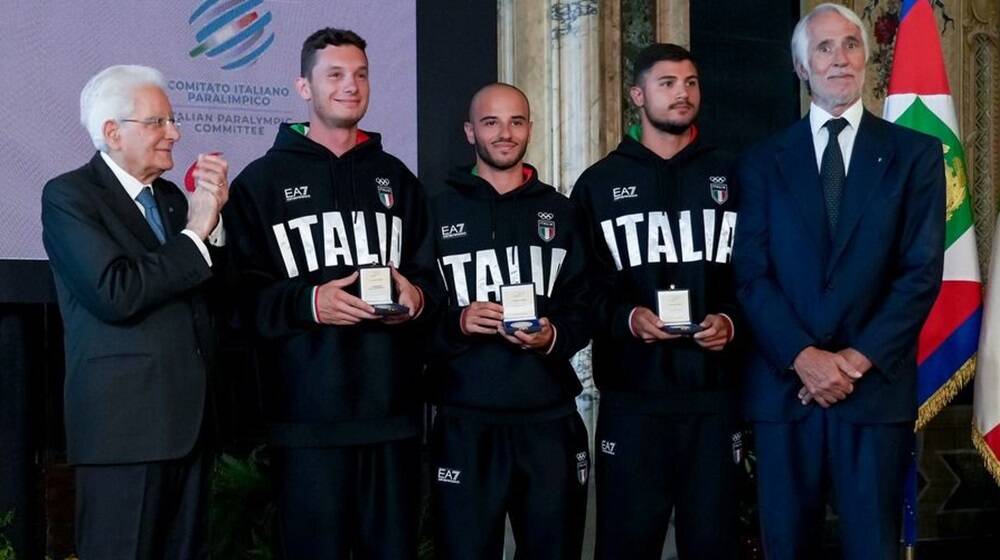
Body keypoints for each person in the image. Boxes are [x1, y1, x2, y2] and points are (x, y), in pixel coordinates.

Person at [732, 4, 945, 558]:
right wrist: (804, 356)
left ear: (867, 61)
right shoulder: (760, 161)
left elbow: (920, 273)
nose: (839, 59)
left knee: (873, 547)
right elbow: (751, 275)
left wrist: (850, 363)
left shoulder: (915, 155)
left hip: (872, 394)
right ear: (802, 68)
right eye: (824, 48)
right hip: (786, 394)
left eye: (850, 45)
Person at [223, 28, 440, 559]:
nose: (351, 86)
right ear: (304, 86)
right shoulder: (261, 183)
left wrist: (416, 296)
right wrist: (308, 302)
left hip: (391, 418)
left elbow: (434, 277)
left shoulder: (397, 179)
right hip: (307, 423)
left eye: (360, 74)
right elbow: (235, 301)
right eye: (335, 75)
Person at [41, 64, 229, 559]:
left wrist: (213, 227)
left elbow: (204, 290)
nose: (176, 133)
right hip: (123, 433)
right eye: (159, 122)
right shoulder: (70, 196)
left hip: (189, 427)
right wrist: (195, 234)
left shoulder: (169, 199)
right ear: (112, 132)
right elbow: (116, 291)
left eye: (173, 120)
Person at [571, 44, 742, 559]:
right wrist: (628, 318)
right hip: (633, 403)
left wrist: (732, 323)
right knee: (626, 545)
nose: (682, 93)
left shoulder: (734, 175)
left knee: (714, 546)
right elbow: (581, 290)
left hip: (713, 401)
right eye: (667, 83)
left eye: (690, 82)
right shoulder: (599, 183)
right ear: (637, 95)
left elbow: (759, 276)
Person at [427, 83, 591, 559]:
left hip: (548, 419)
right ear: (469, 131)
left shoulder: (561, 213)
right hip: (465, 420)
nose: (505, 133)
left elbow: (585, 304)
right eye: (491, 122)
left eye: (516, 122)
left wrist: (553, 335)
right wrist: (458, 322)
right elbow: (415, 315)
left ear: (529, 129)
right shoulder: (437, 212)